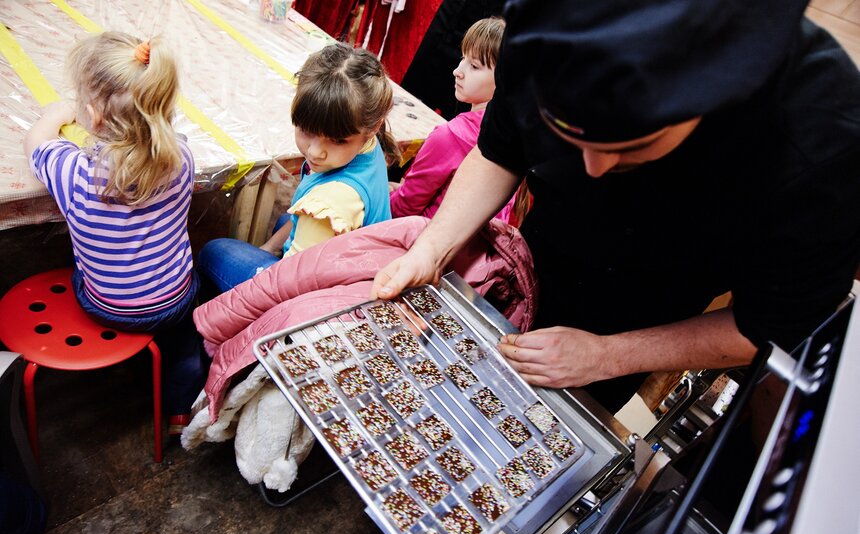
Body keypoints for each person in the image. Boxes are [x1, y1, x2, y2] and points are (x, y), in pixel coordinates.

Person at [371, 0, 860, 414]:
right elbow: (499, 151)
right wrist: (432, 249)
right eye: (568, 138)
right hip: (528, 272)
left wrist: (606, 356)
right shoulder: (544, 25)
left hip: (638, 323)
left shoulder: (823, 148)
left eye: (631, 147)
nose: (595, 169)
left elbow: (763, 326)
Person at [25, 32, 206, 436]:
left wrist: (59, 113)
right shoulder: (183, 160)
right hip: (173, 300)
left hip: (105, 305)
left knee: (77, 262)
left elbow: (37, 141)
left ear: (94, 115)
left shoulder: (74, 174)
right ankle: (179, 410)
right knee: (184, 341)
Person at [198, 43, 399, 293]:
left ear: (372, 126)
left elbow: (288, 290)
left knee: (213, 252)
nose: (315, 152)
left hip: (314, 293)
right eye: (307, 131)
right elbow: (299, 221)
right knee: (286, 220)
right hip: (344, 262)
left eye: (337, 140)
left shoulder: (332, 202)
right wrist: (270, 247)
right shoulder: (366, 140)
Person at [389, 16, 524, 226]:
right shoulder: (516, 136)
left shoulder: (451, 136)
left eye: (474, 66)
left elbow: (403, 209)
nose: (457, 71)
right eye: (463, 58)